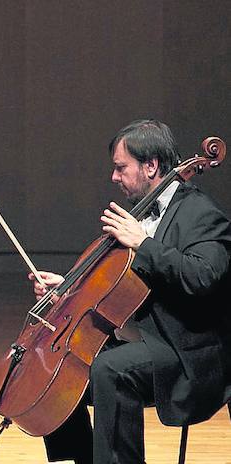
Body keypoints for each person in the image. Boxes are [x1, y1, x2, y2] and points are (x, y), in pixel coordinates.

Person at [35, 120, 231, 464]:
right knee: (64, 364)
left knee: (110, 369)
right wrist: (68, 286)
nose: (113, 177)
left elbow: (203, 276)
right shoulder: (139, 212)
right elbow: (116, 280)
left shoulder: (201, 213)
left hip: (185, 346)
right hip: (142, 336)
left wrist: (144, 244)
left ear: (151, 166)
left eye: (120, 167)